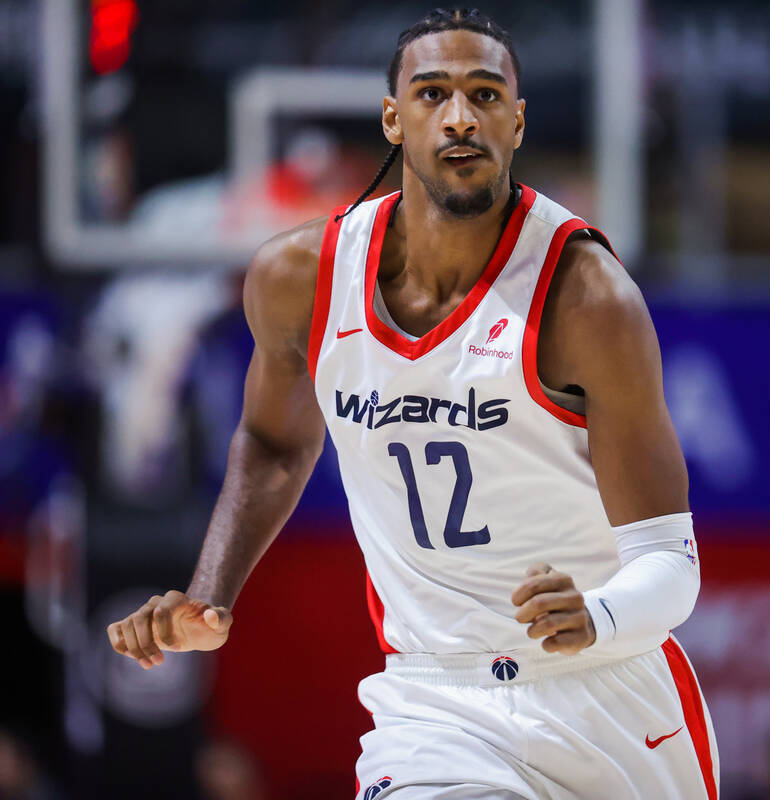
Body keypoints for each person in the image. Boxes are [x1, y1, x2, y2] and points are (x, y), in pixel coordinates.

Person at [106, 8, 717, 799]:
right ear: (394, 118)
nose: (460, 116)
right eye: (432, 94)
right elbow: (273, 441)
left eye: (485, 95)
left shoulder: (586, 298)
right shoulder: (301, 279)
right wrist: (211, 592)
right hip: (437, 699)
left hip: (609, 696)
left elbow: (672, 565)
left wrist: (594, 615)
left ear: (518, 120)